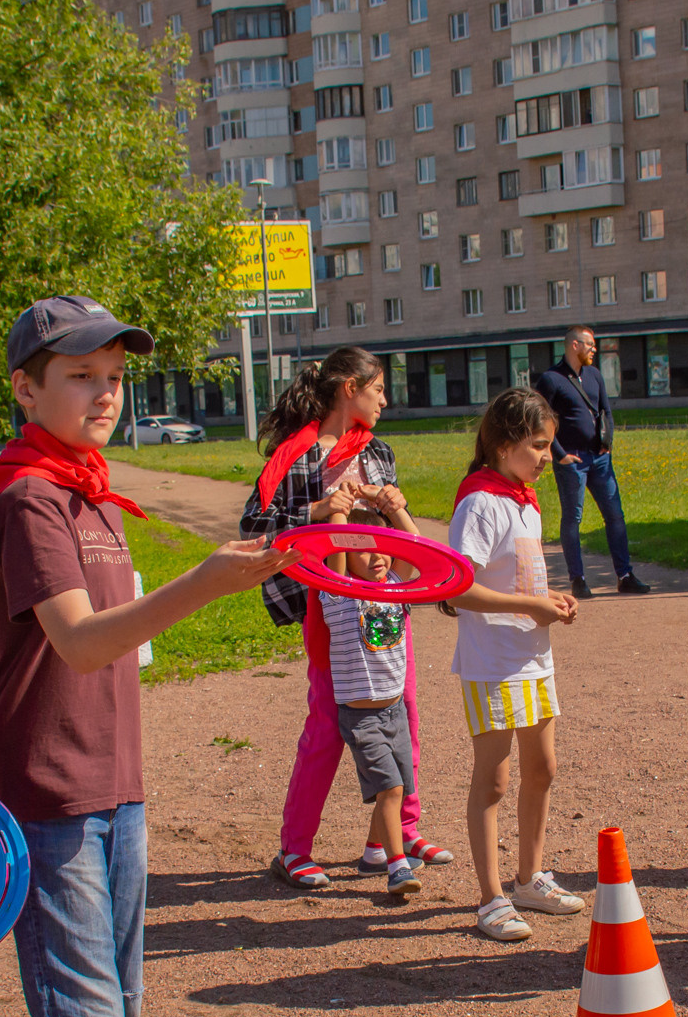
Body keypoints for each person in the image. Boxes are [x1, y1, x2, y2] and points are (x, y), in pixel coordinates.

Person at [0, 294, 296, 1017]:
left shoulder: (92, 491)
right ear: (26, 387)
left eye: (113, 376)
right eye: (80, 375)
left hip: (114, 786)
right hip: (48, 797)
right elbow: (79, 642)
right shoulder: (32, 496)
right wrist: (209, 581)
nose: (104, 392)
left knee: (121, 1013)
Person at [237, 348, 447, 892]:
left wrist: (390, 501)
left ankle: (395, 836)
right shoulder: (298, 455)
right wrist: (319, 509)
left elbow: (397, 534)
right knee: (328, 727)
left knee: (404, 713)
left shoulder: (377, 451)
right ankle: (294, 848)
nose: (385, 401)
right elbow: (254, 527)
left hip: (385, 599)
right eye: (378, 389)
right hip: (329, 606)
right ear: (349, 388)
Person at [445, 387, 586, 942]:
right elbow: (457, 590)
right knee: (495, 780)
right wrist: (530, 606)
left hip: (533, 659)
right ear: (504, 445)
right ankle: (491, 898)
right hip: (492, 664)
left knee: (542, 769)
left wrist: (549, 601)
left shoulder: (525, 501)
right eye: (538, 445)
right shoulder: (480, 503)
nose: (548, 456)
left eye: (549, 445)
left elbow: (518, 578)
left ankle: (529, 880)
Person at [315, 510, 426, 898]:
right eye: (363, 550)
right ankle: (397, 868)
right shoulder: (338, 593)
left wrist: (395, 509)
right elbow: (335, 547)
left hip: (396, 710)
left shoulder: (395, 584)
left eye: (382, 547)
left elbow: (419, 549)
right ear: (346, 556)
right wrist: (340, 513)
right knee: (390, 789)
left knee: (398, 787)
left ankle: (374, 854)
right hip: (361, 717)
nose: (377, 556)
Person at [534, 327, 650, 597]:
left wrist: (608, 443)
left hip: (599, 458)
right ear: (574, 345)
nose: (594, 350)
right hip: (571, 460)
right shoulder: (551, 379)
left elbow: (605, 410)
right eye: (590, 344)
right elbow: (540, 419)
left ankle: (625, 575)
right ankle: (578, 579)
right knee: (573, 518)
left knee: (615, 515)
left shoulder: (594, 375)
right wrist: (560, 454)